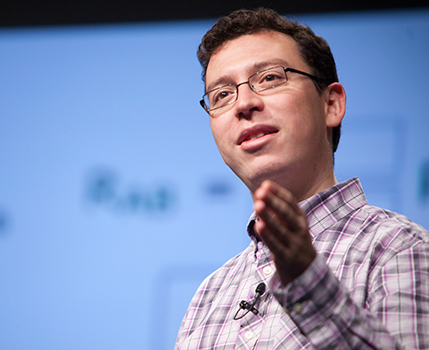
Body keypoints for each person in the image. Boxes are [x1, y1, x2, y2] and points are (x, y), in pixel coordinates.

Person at [174, 8, 429, 350]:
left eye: (270, 78)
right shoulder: (208, 297)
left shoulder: (398, 248)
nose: (243, 104)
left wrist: (307, 280)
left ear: (331, 104)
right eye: (221, 95)